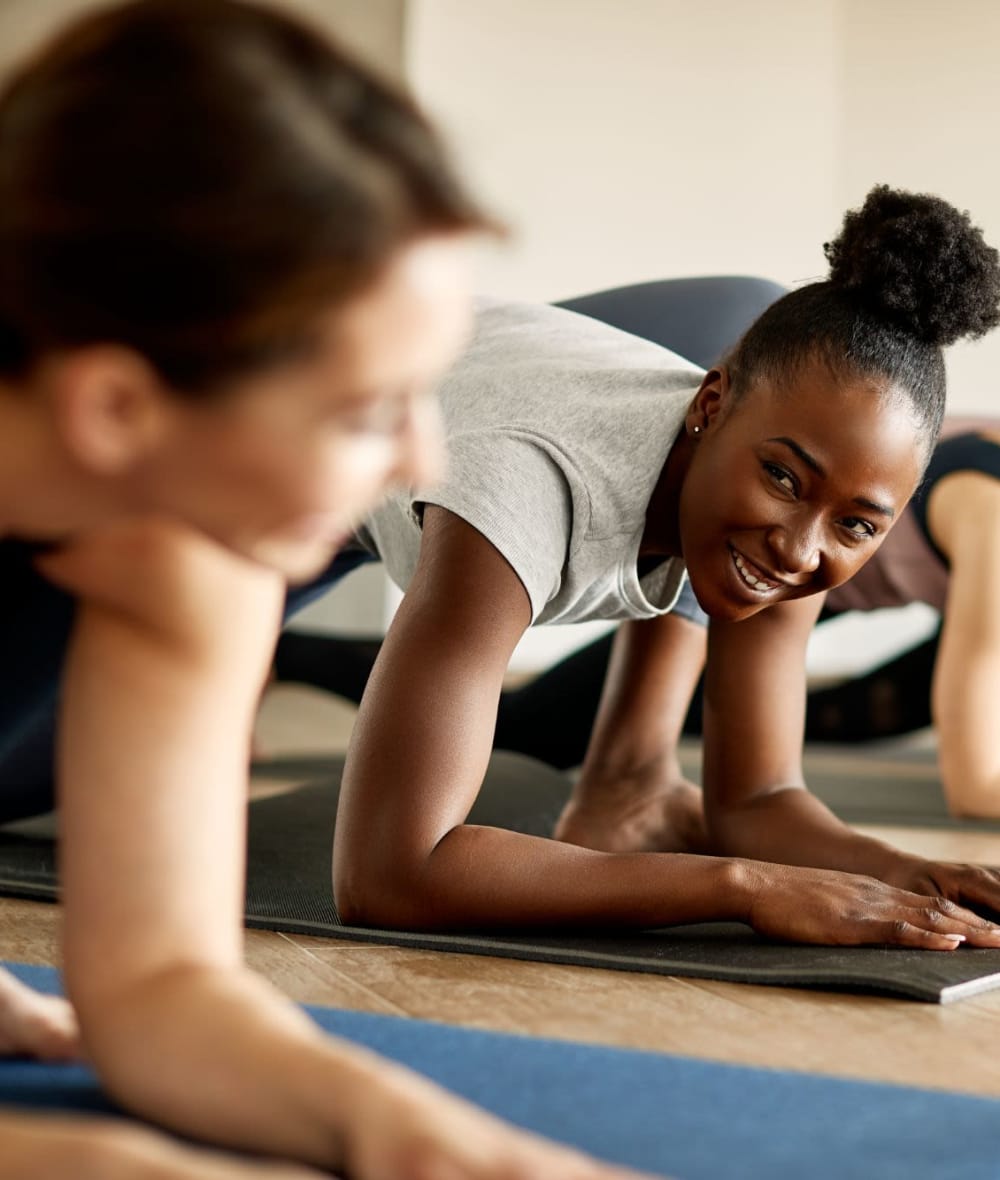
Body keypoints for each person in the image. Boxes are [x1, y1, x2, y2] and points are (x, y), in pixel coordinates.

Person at [0, 3, 649, 1178]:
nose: (422, 462)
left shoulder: (204, 547)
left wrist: (427, 1142)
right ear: (115, 408)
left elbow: (158, 980)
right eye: (364, 411)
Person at [280, 184, 1000, 943]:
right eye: (783, 477)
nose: (798, 548)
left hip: (489, 373)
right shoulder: (524, 489)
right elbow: (388, 875)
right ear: (710, 403)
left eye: (856, 523)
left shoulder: (805, 535)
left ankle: (629, 784)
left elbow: (755, 799)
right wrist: (742, 886)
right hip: (283, 426)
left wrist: (905, 873)